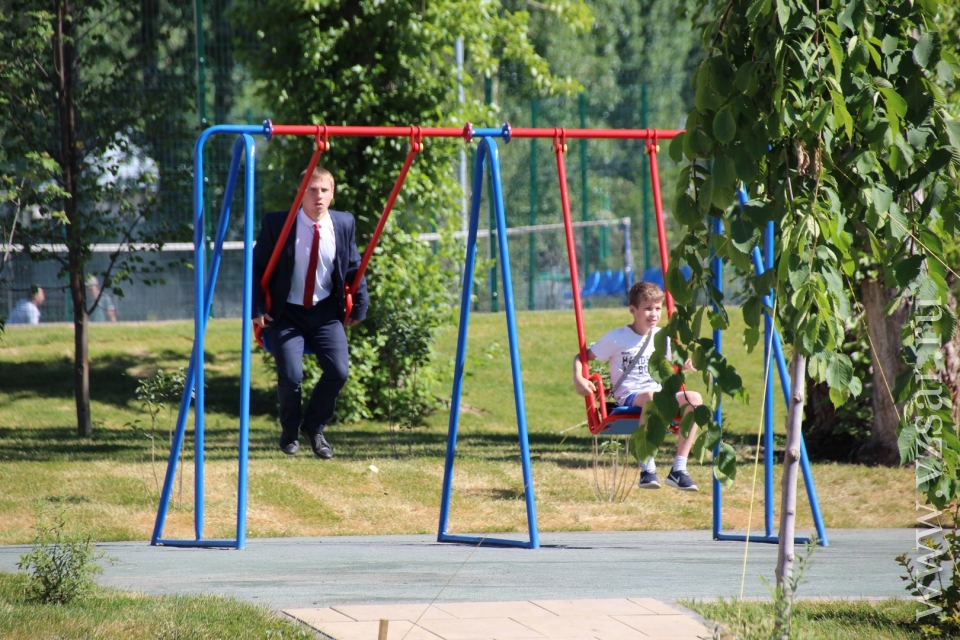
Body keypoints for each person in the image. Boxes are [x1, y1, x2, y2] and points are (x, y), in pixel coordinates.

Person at [252, 166, 368, 460]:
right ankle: (289, 431)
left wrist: (361, 303)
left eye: (324, 190)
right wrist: (257, 308)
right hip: (286, 313)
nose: (319, 196)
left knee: (339, 372)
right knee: (292, 375)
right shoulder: (278, 224)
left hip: (324, 312)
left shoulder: (343, 223)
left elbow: (354, 266)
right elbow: (257, 267)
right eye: (312, 190)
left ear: (332, 194)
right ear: (300, 194)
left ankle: (313, 427)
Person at [573, 281, 703, 491]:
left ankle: (679, 469)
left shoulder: (662, 337)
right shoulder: (617, 338)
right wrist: (579, 378)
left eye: (658, 308)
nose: (654, 314)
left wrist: (686, 363)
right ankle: (647, 467)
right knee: (651, 397)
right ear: (633, 310)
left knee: (694, 399)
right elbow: (581, 357)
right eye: (648, 308)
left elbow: (678, 361)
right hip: (631, 395)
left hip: (657, 394)